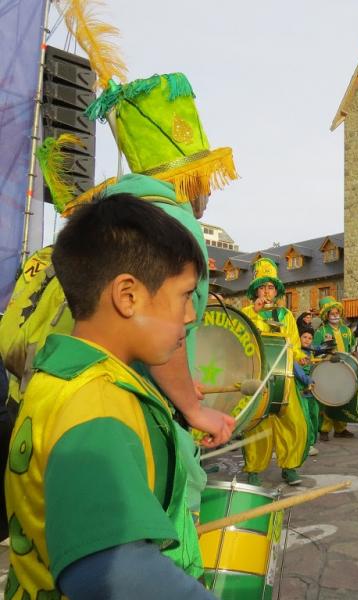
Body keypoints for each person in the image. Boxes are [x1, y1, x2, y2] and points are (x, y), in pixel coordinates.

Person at [5, 196, 216, 599]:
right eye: (185, 295)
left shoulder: (58, 377)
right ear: (128, 296)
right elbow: (106, 568)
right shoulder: (96, 401)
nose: (190, 316)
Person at [241, 258, 309, 486]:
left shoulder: (286, 315)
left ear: (276, 290)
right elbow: (240, 338)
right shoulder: (247, 312)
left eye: (271, 287)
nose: (267, 291)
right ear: (255, 291)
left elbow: (294, 345)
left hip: (284, 379)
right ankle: (254, 469)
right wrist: (254, 314)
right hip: (258, 378)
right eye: (262, 287)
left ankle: (289, 467)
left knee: (295, 423)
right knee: (256, 426)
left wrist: (301, 357)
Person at [313, 297, 356, 439]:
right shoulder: (321, 331)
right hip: (329, 370)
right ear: (326, 315)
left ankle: (340, 429)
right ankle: (324, 429)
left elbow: (352, 348)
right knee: (329, 399)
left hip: (344, 370)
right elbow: (315, 350)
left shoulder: (346, 330)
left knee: (343, 398)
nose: (335, 315)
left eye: (337, 313)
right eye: (332, 313)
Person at [294, 326, 320, 457]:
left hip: (312, 389)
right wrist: (307, 380)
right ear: (299, 337)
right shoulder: (295, 352)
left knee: (314, 416)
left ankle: (311, 442)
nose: (307, 340)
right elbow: (297, 369)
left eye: (310, 338)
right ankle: (307, 444)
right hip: (300, 388)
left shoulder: (311, 351)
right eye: (304, 337)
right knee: (306, 418)